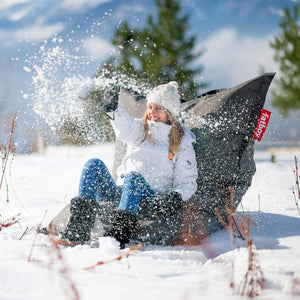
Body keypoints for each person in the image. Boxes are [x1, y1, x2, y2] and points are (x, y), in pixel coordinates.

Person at [61, 81, 198, 248]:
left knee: (134, 177)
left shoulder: (183, 142)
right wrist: (113, 110)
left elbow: (187, 182)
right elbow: (125, 127)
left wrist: (175, 197)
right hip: (123, 192)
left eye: (158, 108)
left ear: (169, 111)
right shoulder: (141, 130)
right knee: (93, 164)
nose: (152, 112)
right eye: (150, 107)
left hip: (150, 198)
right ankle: (79, 228)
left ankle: (118, 234)